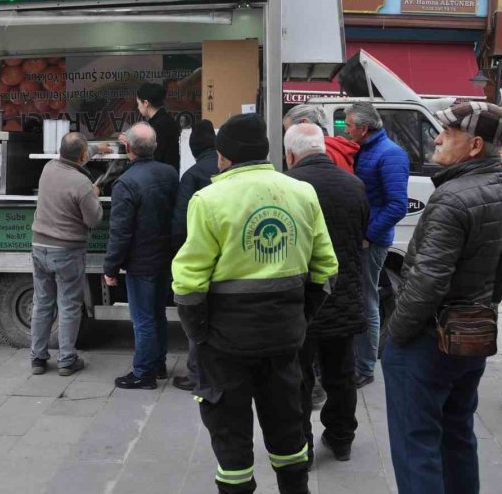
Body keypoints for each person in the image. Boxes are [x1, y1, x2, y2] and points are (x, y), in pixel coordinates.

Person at [172, 113, 339, 494]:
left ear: (224, 157)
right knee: (288, 428)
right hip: (284, 339)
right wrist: (299, 316)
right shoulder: (301, 192)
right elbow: (326, 268)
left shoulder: (208, 200)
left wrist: (200, 334)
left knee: (230, 437)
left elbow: (188, 280)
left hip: (225, 344)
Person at [383, 102, 502, 494]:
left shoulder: (453, 197)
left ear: (475, 145)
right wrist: (481, 304)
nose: (437, 138)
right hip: (473, 332)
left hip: (430, 339)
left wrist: (397, 334)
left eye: (447, 132)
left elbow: (427, 281)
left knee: (417, 444)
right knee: (457, 434)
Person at [283, 123, 368, 463]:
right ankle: (341, 437)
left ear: (291, 155)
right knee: (341, 373)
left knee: (298, 377)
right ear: (324, 147)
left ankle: (300, 444)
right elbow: (360, 235)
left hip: (303, 300)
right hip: (344, 295)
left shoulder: (288, 187)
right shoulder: (355, 185)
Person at [104, 122, 179, 390]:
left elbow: (120, 231)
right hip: (166, 257)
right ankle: (157, 364)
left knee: (143, 318)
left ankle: (144, 373)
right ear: (155, 146)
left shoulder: (125, 183)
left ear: (127, 148)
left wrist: (111, 267)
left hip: (141, 261)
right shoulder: (170, 173)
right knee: (158, 314)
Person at [346, 102, 410, 388]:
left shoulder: (391, 154)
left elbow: (398, 205)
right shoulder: (364, 149)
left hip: (371, 242)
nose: (346, 131)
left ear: (363, 128)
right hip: (361, 238)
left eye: (348, 126)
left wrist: (369, 235)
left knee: (367, 301)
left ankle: (366, 367)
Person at [30, 132, 103, 377]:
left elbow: (76, 157)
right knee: (69, 306)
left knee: (42, 304)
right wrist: (96, 194)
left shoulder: (48, 168)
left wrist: (96, 150)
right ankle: (66, 360)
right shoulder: (82, 184)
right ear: (82, 156)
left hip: (39, 247)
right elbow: (94, 220)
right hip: (67, 251)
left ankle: (38, 358)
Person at [171, 119, 218, 392]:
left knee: (196, 315)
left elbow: (180, 223)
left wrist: (177, 254)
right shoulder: (228, 169)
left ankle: (196, 374)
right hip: (226, 256)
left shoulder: (192, 175)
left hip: (199, 257)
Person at [282, 104, 359, 173]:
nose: (288, 136)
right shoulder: (337, 147)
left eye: (289, 131)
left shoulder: (315, 151)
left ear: (304, 122)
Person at [136, 82, 180, 170]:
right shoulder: (167, 120)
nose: (138, 107)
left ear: (145, 103)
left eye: (138, 103)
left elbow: (154, 156)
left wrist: (132, 143)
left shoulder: (157, 126)